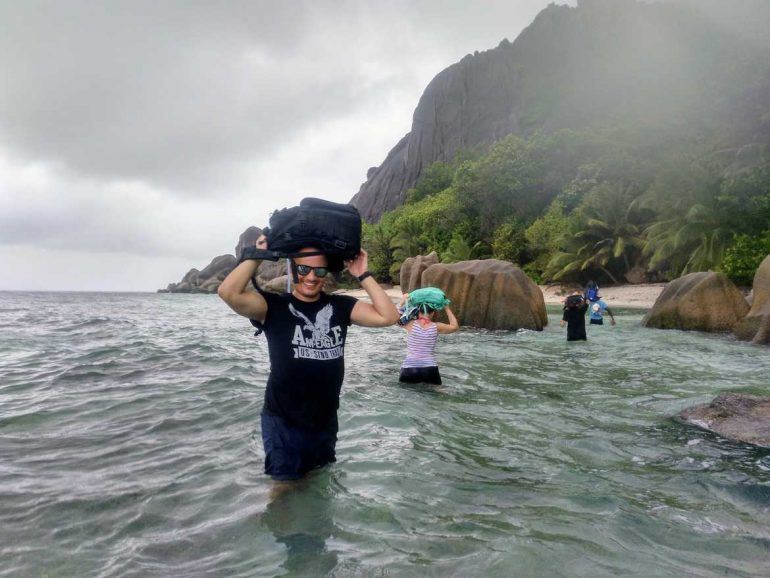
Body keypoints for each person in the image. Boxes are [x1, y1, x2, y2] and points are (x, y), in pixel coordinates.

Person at [218, 234, 399, 481]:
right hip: (283, 421)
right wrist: (257, 255)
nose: (312, 277)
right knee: (284, 492)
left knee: (317, 483)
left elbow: (388, 317)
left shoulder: (341, 306)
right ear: (292, 269)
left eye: (320, 271)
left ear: (327, 274)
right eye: (304, 269)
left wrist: (362, 274)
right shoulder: (272, 307)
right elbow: (228, 292)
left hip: (325, 421)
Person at [397, 288, 459, 385]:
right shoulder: (437, 326)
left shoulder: (409, 324)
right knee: (437, 394)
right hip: (429, 368)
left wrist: (402, 301)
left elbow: (392, 317)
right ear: (433, 313)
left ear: (418, 311)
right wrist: (447, 308)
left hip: (409, 368)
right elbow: (454, 327)